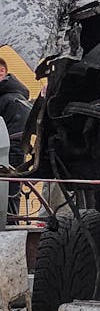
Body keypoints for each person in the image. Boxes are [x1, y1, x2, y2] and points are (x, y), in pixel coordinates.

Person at [0, 57, 31, 216]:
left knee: (8, 200)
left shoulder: (12, 100)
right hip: (8, 157)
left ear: (1, 71)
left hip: (8, 159)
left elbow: (18, 139)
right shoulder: (9, 98)